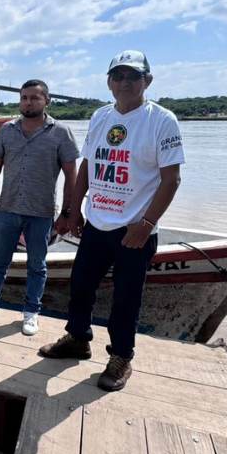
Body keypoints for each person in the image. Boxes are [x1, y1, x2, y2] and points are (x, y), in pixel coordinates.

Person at [40, 50, 184, 392]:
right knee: (80, 286)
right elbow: (89, 166)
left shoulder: (162, 120)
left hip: (134, 229)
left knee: (126, 298)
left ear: (147, 81)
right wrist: (74, 210)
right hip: (97, 223)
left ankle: (121, 357)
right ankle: (77, 338)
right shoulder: (101, 116)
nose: (124, 83)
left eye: (133, 77)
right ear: (109, 82)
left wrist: (146, 223)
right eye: (118, 76)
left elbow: (171, 179)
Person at [0, 79, 80, 336]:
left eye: (35, 98)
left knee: (37, 266)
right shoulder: (7, 130)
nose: (28, 102)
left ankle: (31, 312)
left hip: (41, 213)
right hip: (7, 209)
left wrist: (67, 213)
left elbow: (71, 175)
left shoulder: (61, 132)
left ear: (47, 101)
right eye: (24, 97)